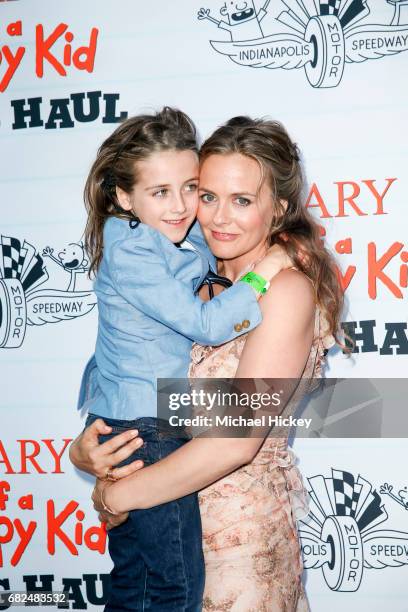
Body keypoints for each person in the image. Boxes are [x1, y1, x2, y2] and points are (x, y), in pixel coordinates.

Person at [72, 116, 347, 611]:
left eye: (242, 200)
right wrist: (89, 452)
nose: (219, 217)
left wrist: (118, 497)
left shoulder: (283, 291)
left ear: (278, 207)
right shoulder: (187, 278)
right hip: (164, 527)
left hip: (236, 551)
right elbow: (131, 380)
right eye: (208, 195)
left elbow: (233, 443)